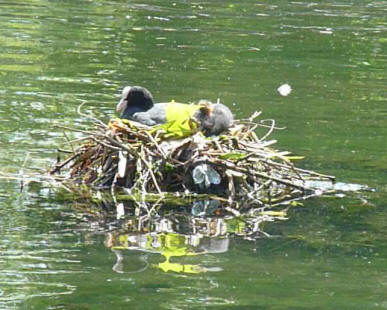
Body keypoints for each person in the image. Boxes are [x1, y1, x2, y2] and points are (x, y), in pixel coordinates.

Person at [116, 86, 233, 136]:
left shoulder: (137, 116)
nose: (122, 103)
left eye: (126, 99)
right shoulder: (152, 109)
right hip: (203, 117)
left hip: (200, 122)